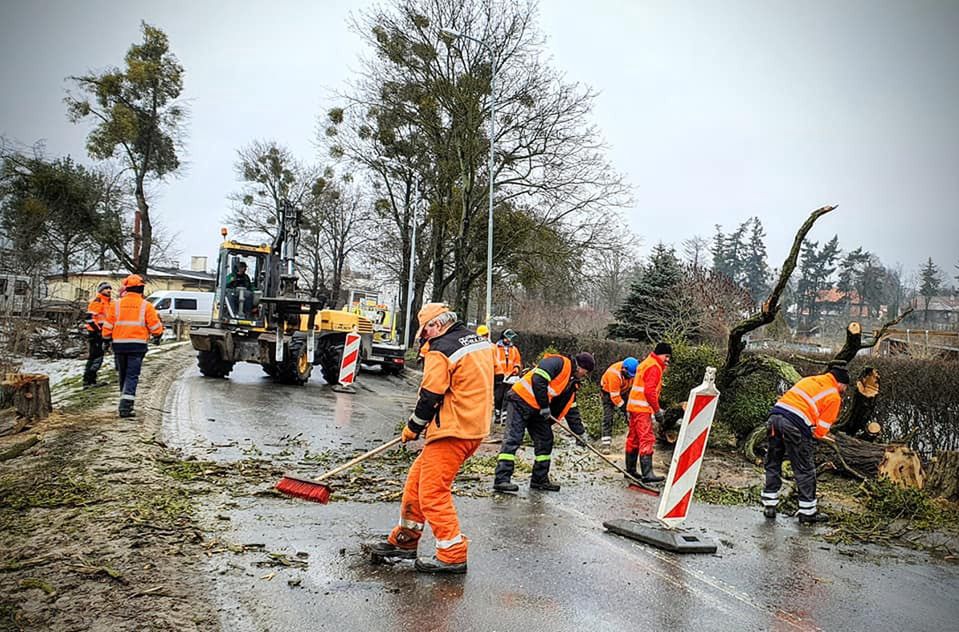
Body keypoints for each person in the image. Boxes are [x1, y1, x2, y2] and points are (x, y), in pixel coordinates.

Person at [367, 303, 494, 573]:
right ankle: (405, 540)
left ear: (434, 325)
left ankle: (453, 554)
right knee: (417, 480)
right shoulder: (477, 341)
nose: (425, 339)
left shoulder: (441, 349)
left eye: (424, 333)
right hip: (473, 426)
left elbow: (431, 395)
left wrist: (413, 427)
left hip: (453, 430)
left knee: (432, 492)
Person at [493, 351, 593, 493]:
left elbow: (571, 411)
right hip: (520, 401)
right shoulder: (559, 362)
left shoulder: (571, 385)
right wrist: (545, 406)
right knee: (513, 439)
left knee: (545, 440)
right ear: (581, 367)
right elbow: (538, 379)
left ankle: (539, 480)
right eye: (586, 372)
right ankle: (502, 479)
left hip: (537, 409)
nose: (585, 375)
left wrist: (580, 433)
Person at [761, 366, 849, 524]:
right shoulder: (834, 396)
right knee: (805, 469)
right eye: (846, 387)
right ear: (841, 383)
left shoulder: (809, 380)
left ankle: (769, 505)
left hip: (774, 418)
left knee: (773, 461)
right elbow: (820, 431)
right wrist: (815, 433)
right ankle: (807, 513)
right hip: (795, 425)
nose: (845, 390)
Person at [101, 274, 164, 418]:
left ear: (126, 289)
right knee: (132, 375)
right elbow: (155, 328)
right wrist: (158, 334)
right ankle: (126, 406)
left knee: (123, 374)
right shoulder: (146, 306)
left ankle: (124, 398)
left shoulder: (115, 304)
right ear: (141, 289)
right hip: (137, 346)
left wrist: (105, 340)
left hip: (119, 345)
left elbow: (108, 326)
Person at [625, 343, 671, 483]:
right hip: (642, 409)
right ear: (659, 354)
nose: (668, 359)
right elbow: (649, 391)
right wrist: (657, 410)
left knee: (633, 439)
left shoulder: (646, 363)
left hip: (633, 407)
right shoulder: (654, 367)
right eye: (666, 356)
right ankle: (647, 473)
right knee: (647, 438)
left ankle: (630, 470)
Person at [598, 357, 638, 454]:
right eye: (629, 375)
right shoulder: (614, 374)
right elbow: (615, 397)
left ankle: (635, 439)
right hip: (608, 392)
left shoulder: (634, 370)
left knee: (632, 415)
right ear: (624, 369)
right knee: (608, 417)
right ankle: (606, 444)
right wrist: (625, 409)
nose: (631, 377)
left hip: (624, 390)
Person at [82, 282, 113, 388]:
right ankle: (88, 381)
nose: (109, 290)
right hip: (96, 333)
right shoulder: (98, 301)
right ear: (101, 290)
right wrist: (98, 330)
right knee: (95, 357)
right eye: (106, 289)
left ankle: (91, 380)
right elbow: (89, 318)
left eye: (110, 288)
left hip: (103, 332)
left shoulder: (109, 302)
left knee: (98, 356)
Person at [492, 329, 522, 425]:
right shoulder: (495, 348)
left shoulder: (514, 349)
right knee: (498, 396)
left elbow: (517, 360)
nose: (509, 340)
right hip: (499, 376)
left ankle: (505, 416)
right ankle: (497, 413)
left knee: (507, 396)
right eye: (507, 338)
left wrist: (516, 368)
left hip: (510, 377)